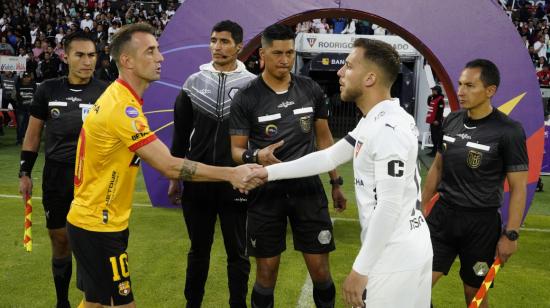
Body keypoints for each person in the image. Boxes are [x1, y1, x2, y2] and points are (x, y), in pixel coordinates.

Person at [65, 23, 259, 308]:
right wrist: (231, 173)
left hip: (97, 222)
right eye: (151, 51)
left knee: (95, 303)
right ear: (127, 61)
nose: (161, 58)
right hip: (98, 226)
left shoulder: (124, 100)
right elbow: (168, 165)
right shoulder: (123, 108)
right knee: (119, 304)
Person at [245, 38, 433, 308]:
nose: (339, 72)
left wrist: (360, 270)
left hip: (395, 256)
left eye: (348, 66)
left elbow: (389, 206)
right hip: (404, 248)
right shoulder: (377, 119)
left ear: (369, 78)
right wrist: (267, 174)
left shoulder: (388, 128)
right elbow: (329, 156)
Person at [229, 24, 346, 308]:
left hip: (307, 191)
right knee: (266, 273)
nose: (285, 59)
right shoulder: (246, 96)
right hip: (266, 192)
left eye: (290, 52)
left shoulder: (310, 89)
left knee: (320, 272)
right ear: (262, 54)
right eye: (278, 53)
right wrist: (256, 157)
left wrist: (335, 182)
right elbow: (235, 150)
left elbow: (324, 139)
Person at [421, 59, 528, 308]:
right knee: (417, 286)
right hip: (442, 218)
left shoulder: (509, 131)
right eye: (460, 84)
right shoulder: (452, 121)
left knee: (475, 297)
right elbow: (437, 167)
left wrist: (511, 234)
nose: (460, 91)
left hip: (481, 224)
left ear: (490, 91)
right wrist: (421, 207)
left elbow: (518, 186)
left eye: (470, 85)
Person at [167, 20, 255, 308]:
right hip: (198, 180)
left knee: (238, 253)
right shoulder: (193, 83)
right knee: (198, 250)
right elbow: (180, 135)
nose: (218, 47)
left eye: (225, 41)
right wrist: (174, 178)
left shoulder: (253, 86)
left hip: (237, 182)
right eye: (214, 40)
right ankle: (192, 304)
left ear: (240, 46)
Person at [17, 31, 108, 308]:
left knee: (91, 244)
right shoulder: (48, 89)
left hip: (93, 177)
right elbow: (32, 135)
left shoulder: (107, 91)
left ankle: (91, 301)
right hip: (56, 175)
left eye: (91, 55)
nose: (87, 61)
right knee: (60, 240)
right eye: (80, 55)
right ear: (65, 56)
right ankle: (62, 302)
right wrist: (24, 172)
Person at [14, 72, 36, 144]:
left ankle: (28, 140)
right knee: (20, 125)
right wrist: (17, 102)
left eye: (28, 77)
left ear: (30, 78)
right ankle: (19, 139)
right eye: (25, 77)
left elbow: (36, 96)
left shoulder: (34, 85)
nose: (26, 79)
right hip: (21, 108)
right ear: (22, 78)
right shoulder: (18, 85)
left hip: (31, 109)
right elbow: (13, 96)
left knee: (30, 125)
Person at [425, 85, 445, 156]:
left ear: (437, 91)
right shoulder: (433, 98)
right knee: (433, 136)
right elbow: (428, 103)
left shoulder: (440, 100)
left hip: (436, 121)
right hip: (432, 120)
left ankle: (436, 151)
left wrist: (437, 120)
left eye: (434, 90)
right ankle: (434, 150)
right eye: (432, 90)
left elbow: (440, 111)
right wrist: (430, 97)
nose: (432, 91)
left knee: (436, 136)